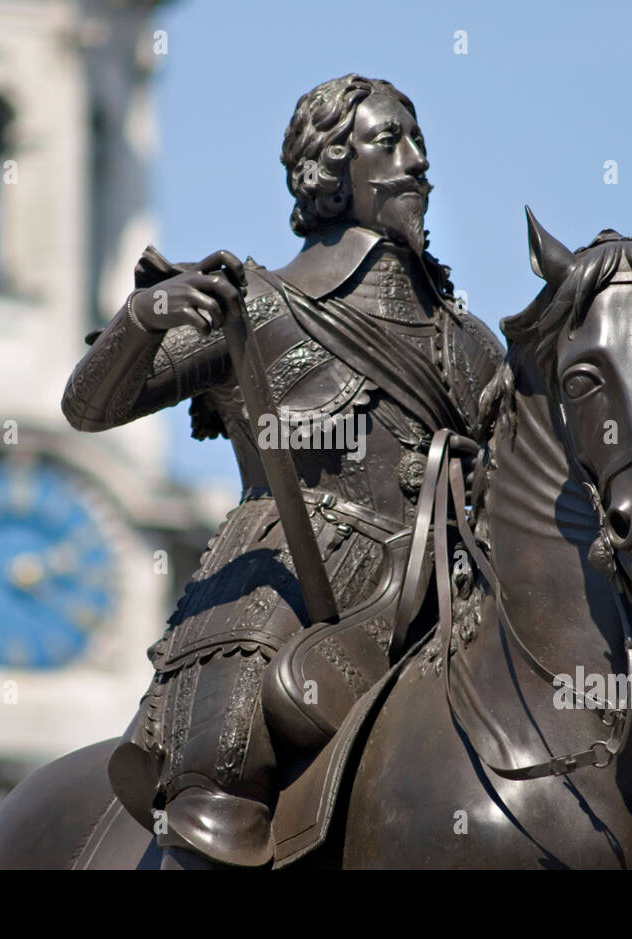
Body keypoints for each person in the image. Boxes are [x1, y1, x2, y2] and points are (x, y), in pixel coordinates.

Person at [61, 74, 504, 868]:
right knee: (218, 793)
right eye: (388, 142)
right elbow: (90, 409)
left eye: (418, 141)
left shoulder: (470, 342)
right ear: (331, 169)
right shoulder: (253, 304)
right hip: (290, 582)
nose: (416, 161)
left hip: (440, 588)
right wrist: (138, 322)